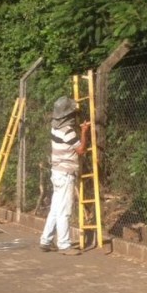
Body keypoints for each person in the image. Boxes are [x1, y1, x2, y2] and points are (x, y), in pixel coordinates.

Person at [39, 96, 90, 255]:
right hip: (65, 175)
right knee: (64, 211)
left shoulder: (54, 129)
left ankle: (46, 240)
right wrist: (84, 132)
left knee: (55, 209)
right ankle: (64, 244)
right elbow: (81, 150)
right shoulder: (67, 132)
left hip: (57, 173)